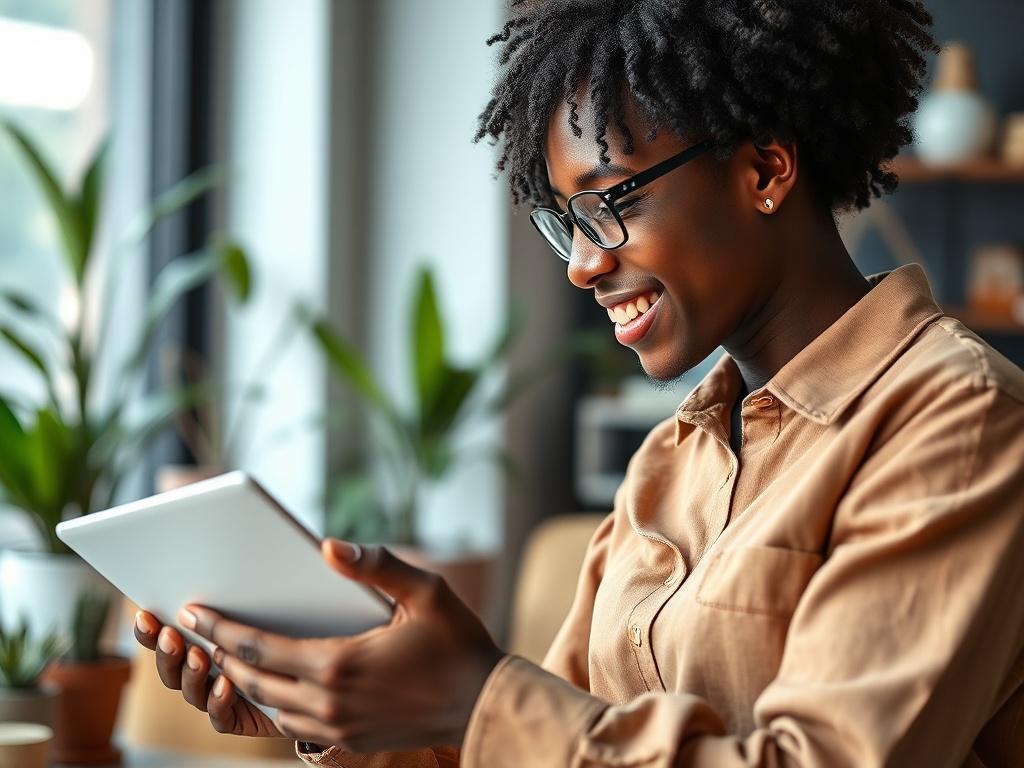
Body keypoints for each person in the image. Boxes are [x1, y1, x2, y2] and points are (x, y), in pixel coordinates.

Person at [134, 1, 1024, 766]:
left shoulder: (961, 422)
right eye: (568, 223)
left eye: (614, 202)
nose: (584, 266)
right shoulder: (672, 464)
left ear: (764, 169)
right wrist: (353, 711)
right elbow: (551, 744)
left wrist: (476, 695)